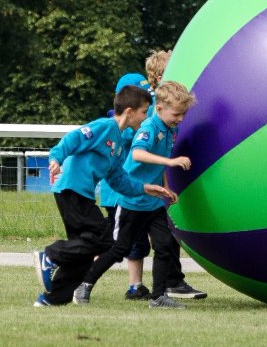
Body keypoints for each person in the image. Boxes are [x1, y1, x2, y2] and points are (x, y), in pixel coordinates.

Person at [30, 86, 177, 307]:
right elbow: (74, 138)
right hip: (71, 189)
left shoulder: (118, 143)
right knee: (103, 239)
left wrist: (145, 188)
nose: (146, 117)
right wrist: (56, 158)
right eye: (144, 111)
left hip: (83, 195)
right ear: (129, 111)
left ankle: (51, 299)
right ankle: (51, 255)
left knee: (86, 250)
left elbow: (118, 180)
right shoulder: (104, 126)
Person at [74, 81, 204, 309]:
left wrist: (166, 187)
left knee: (164, 246)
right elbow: (138, 154)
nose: (181, 119)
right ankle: (84, 284)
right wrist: (171, 162)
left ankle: (158, 296)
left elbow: (158, 165)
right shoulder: (148, 128)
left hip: (153, 202)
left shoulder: (171, 129)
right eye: (177, 114)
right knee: (119, 249)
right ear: (160, 108)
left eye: (184, 114)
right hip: (132, 200)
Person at [96, 72, 154, 300]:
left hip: (124, 193)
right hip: (119, 196)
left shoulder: (131, 123)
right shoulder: (122, 126)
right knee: (115, 244)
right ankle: (79, 275)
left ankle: (135, 285)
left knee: (128, 243)